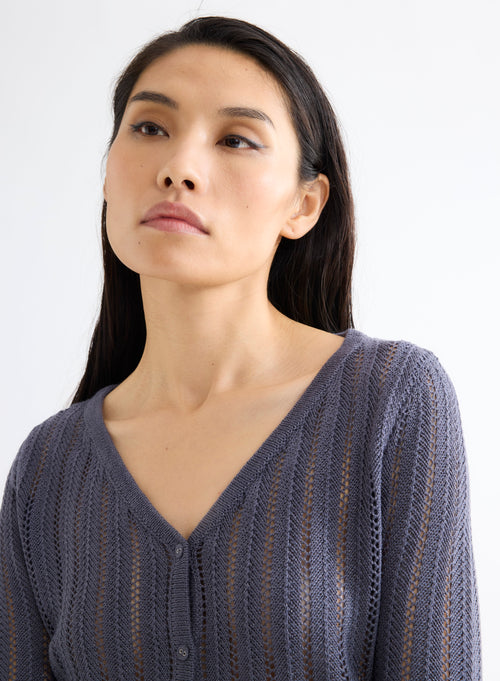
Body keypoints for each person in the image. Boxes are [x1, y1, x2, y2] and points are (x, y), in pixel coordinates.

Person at [0, 16, 481, 680]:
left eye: (235, 140)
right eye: (150, 128)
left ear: (304, 205)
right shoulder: (47, 469)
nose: (178, 168)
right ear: (107, 174)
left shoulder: (391, 402)